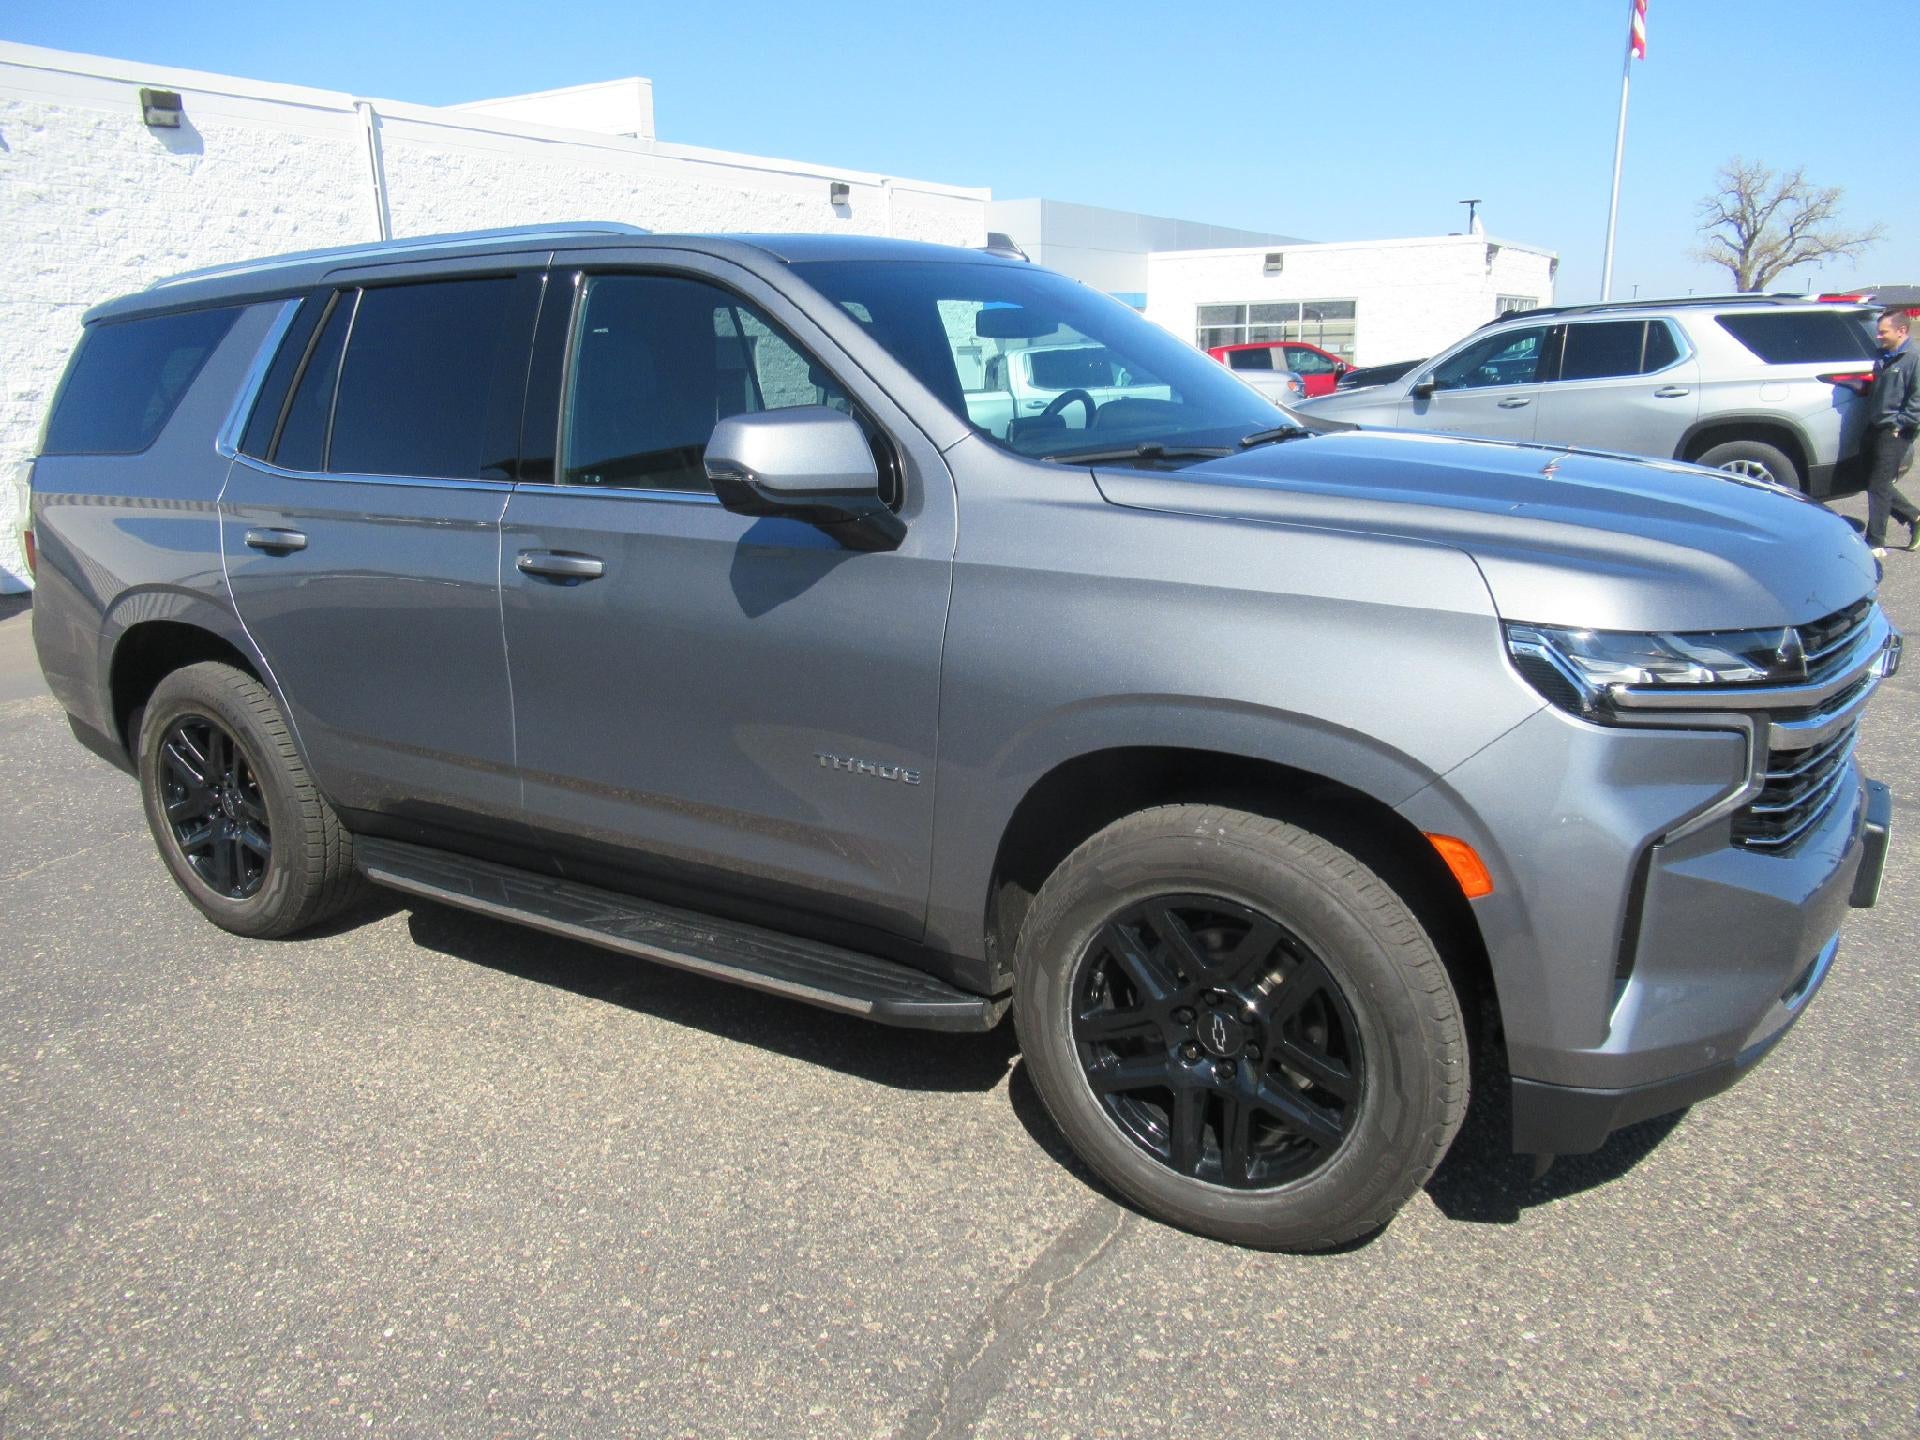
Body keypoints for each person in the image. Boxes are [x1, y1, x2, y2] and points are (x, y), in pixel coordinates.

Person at [1863, 307, 1920, 556]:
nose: (1879, 336)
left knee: (1879, 484)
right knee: (1872, 481)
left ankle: (1875, 542)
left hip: (1897, 430)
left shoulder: (1914, 358)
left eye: (1883, 332)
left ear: (1902, 331)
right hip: (1875, 426)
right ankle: (1914, 517)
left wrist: (1901, 422)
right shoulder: (1884, 355)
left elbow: (1918, 399)